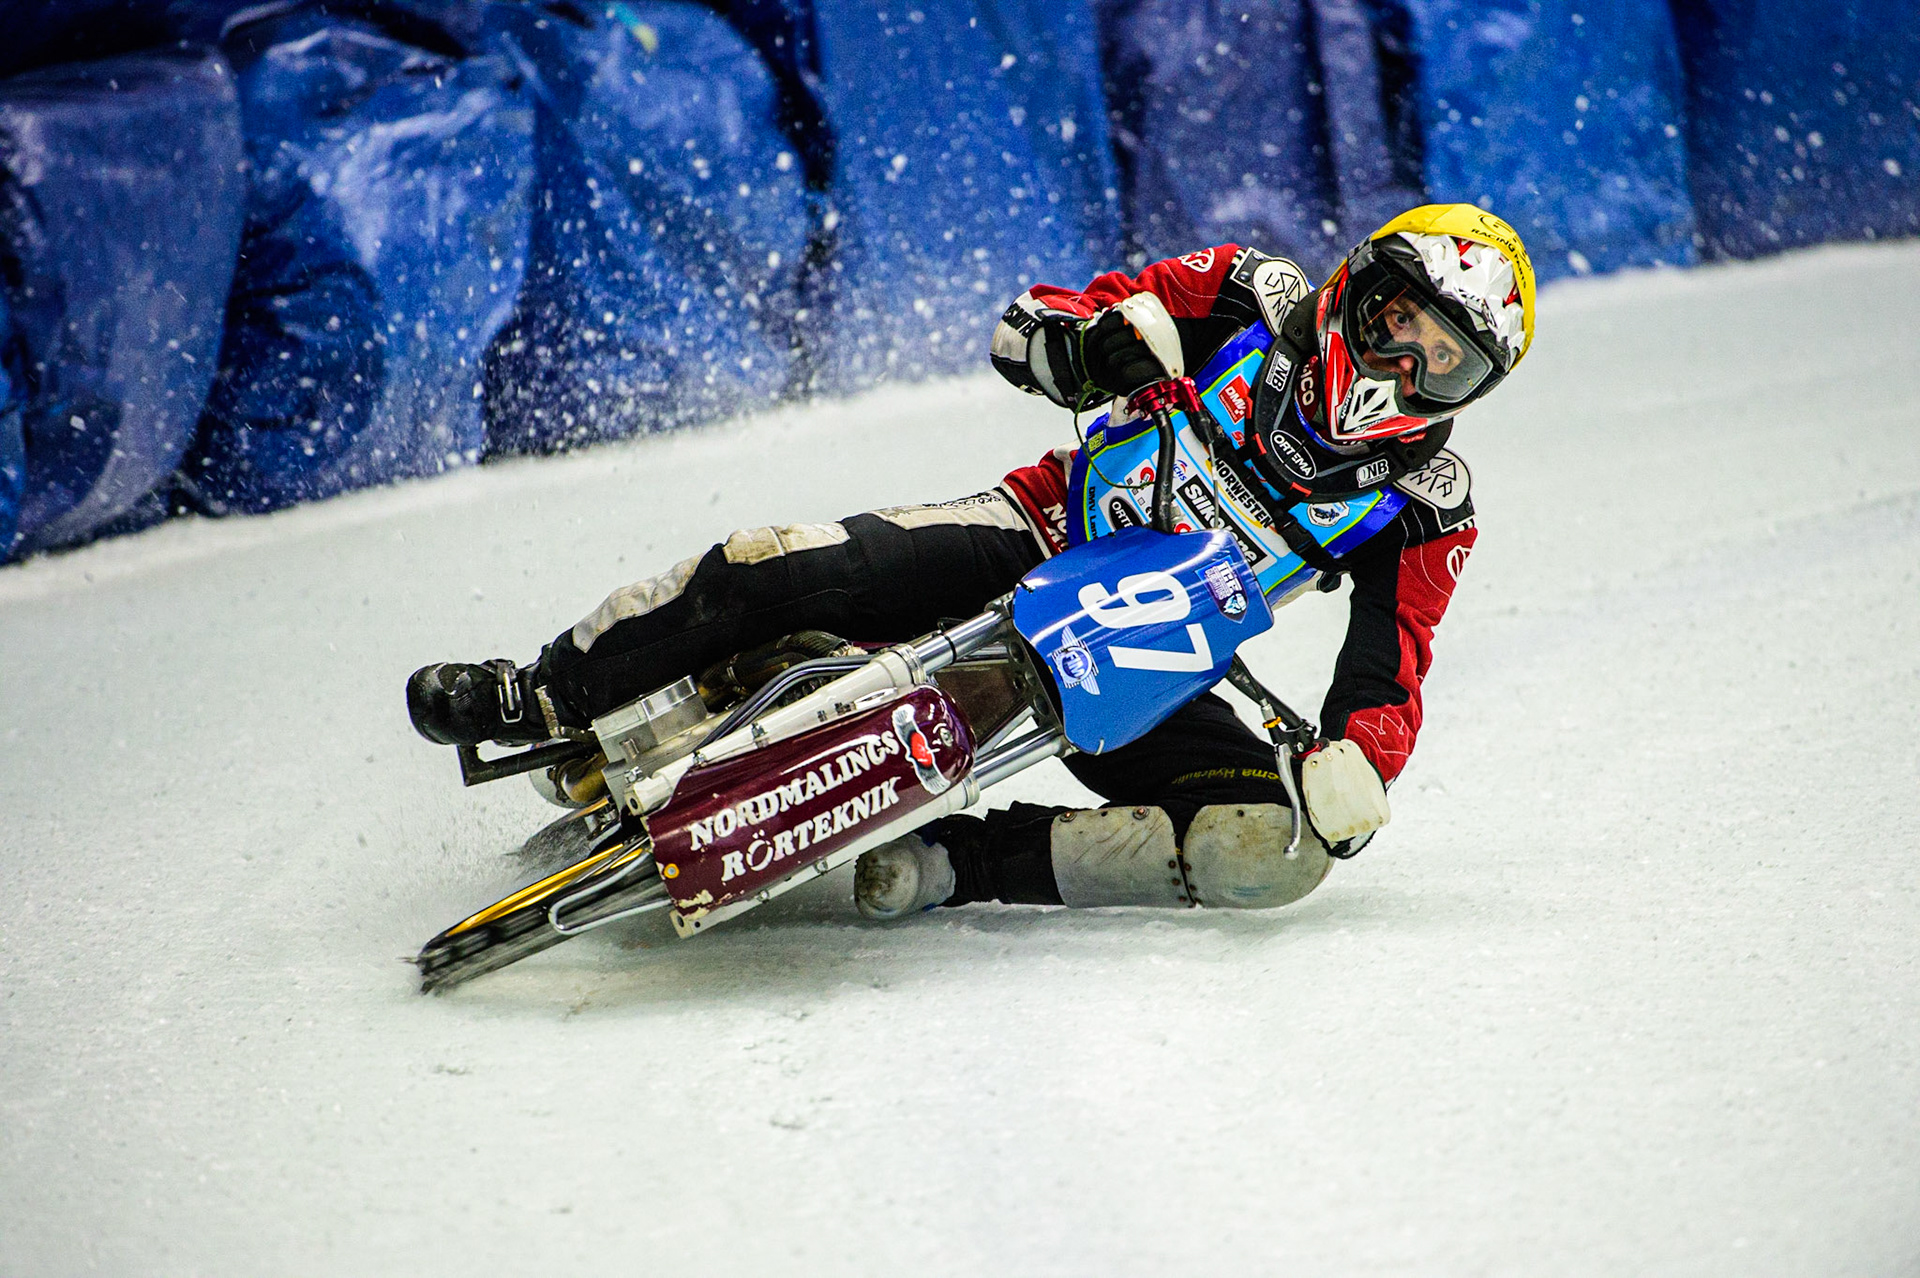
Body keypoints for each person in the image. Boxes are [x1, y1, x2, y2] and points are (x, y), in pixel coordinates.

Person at [408, 203, 1535, 920]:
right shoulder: (1253, 292)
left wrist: (1357, 763)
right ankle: (543, 693)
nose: (1403, 367)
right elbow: (1033, 322)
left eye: (1442, 363)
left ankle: (959, 863)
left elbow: (1392, 666)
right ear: (1357, 288)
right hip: (1036, 528)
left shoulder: (1427, 505)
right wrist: (1087, 347)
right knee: (771, 563)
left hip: (1154, 666)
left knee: (1276, 851)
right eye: (1401, 323)